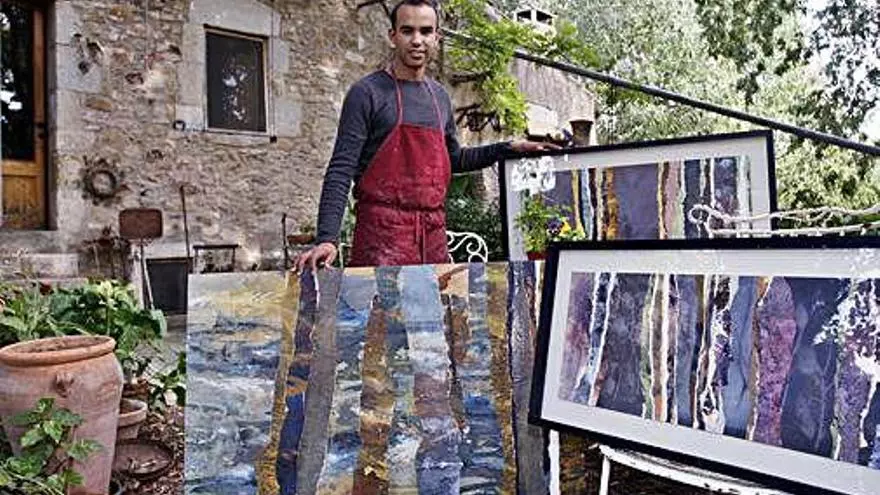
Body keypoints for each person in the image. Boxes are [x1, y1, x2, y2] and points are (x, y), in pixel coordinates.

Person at [294, 0, 556, 273]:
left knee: (435, 302)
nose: (417, 40)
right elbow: (341, 168)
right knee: (380, 303)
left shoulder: (439, 97)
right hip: (381, 239)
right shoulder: (367, 93)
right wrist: (327, 238)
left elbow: (454, 159)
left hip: (433, 240)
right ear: (393, 36)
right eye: (407, 31)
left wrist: (509, 148)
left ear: (437, 37)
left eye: (426, 31)